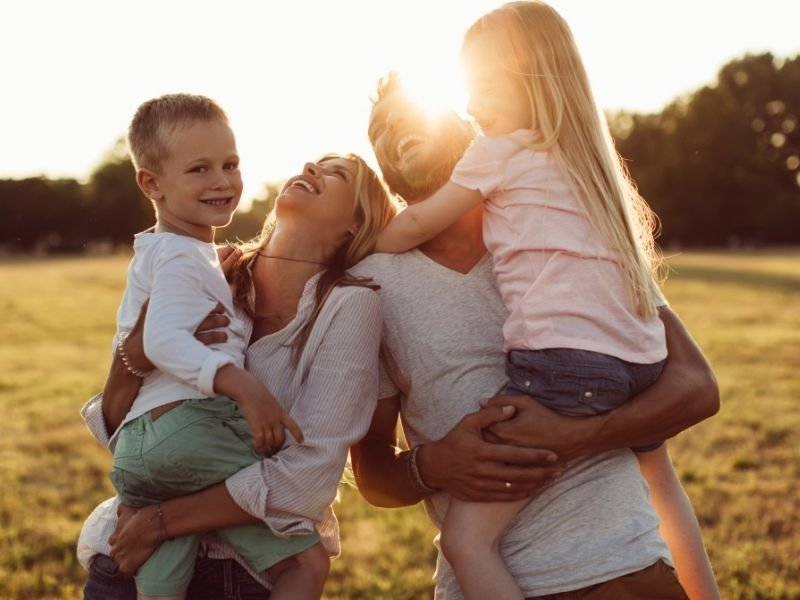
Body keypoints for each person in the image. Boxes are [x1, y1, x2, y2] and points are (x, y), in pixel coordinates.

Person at [371, 3, 715, 599]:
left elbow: (693, 396)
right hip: (489, 582)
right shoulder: (369, 283)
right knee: (467, 542)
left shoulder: (584, 236)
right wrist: (434, 465)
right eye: (379, 129)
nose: (397, 132)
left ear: (473, 129)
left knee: (469, 538)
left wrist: (581, 434)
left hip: (626, 572)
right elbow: (371, 475)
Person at [78, 139, 399, 598]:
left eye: (338, 175)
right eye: (316, 162)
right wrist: (137, 351)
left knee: (308, 565)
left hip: (240, 575)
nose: (311, 165)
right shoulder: (208, 270)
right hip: (127, 553)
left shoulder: (350, 305)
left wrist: (163, 520)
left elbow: (306, 479)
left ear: (355, 225)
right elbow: (122, 430)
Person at [105, 92, 326, 600]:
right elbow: (160, 340)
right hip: (188, 429)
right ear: (151, 183)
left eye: (230, 163)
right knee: (306, 563)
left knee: (165, 577)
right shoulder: (183, 258)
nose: (223, 181)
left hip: (142, 444)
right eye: (200, 169)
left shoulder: (179, 254)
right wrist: (243, 386)